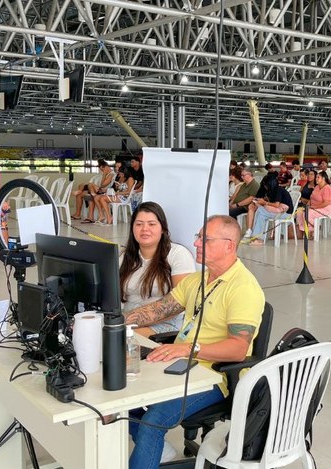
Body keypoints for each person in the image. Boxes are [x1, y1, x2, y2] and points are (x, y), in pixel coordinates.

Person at [123, 215, 264, 468]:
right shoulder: (199, 280)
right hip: (180, 364)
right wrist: (114, 322)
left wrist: (189, 348)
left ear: (229, 246)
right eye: (198, 237)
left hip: (214, 378)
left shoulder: (243, 288)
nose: (196, 243)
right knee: (123, 401)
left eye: (205, 239)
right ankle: (158, 451)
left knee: (151, 422)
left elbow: (238, 349)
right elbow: (159, 310)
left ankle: (150, 443)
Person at [120, 202, 196, 337]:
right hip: (128, 321)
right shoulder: (124, 258)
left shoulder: (178, 254)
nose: (144, 229)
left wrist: (124, 322)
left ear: (162, 228)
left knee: (119, 339)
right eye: (139, 224)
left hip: (167, 323)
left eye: (151, 224)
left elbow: (181, 302)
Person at [244, 178, 295, 245]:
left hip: (285, 213)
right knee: (261, 212)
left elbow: (276, 205)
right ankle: (257, 237)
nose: (265, 187)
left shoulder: (278, 190)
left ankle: (258, 238)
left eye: (265, 185)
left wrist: (264, 202)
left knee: (260, 211)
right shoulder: (273, 190)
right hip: (279, 211)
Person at [295, 171, 331, 239]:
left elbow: (326, 203)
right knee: (299, 212)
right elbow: (311, 198)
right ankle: (305, 230)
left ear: (323, 178)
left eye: (318, 177)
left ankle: (312, 230)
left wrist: (314, 207)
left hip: (325, 208)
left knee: (308, 213)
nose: (316, 179)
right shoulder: (317, 187)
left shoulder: (327, 188)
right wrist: (308, 204)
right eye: (316, 177)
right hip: (314, 207)